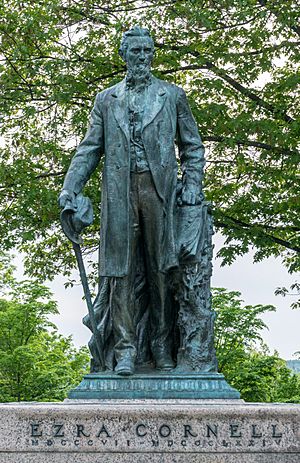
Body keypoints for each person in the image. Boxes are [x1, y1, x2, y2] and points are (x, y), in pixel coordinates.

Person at [59, 26, 205, 376]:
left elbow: (192, 146)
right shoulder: (106, 100)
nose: (142, 56)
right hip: (119, 193)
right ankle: (125, 349)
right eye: (135, 51)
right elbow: (89, 148)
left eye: (147, 50)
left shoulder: (171, 95)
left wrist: (192, 184)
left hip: (159, 192)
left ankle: (160, 342)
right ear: (123, 55)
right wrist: (70, 187)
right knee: (119, 273)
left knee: (161, 269)